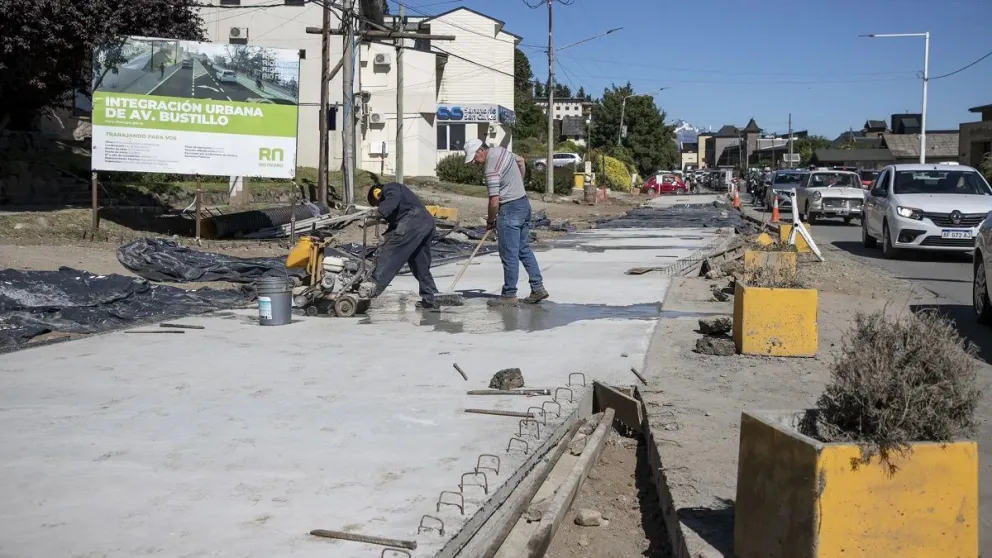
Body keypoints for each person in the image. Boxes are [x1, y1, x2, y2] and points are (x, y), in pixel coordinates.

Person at [464, 139, 549, 307]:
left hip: (509, 209)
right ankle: (537, 288)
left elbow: (494, 201)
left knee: (509, 254)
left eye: (474, 158)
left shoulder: (490, 169)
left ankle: (509, 295)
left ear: (481, 150)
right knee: (523, 248)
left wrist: (490, 221)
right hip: (524, 204)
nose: (474, 162)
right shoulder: (502, 151)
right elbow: (521, 161)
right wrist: (518, 184)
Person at [361, 182, 441, 309]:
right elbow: (395, 228)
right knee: (419, 265)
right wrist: (385, 238)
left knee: (391, 253)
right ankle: (431, 297)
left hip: (414, 221)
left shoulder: (390, 188)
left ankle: (372, 286)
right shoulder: (401, 207)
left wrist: (379, 212)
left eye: (377, 204)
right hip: (426, 223)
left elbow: (392, 201)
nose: (378, 206)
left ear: (377, 194)